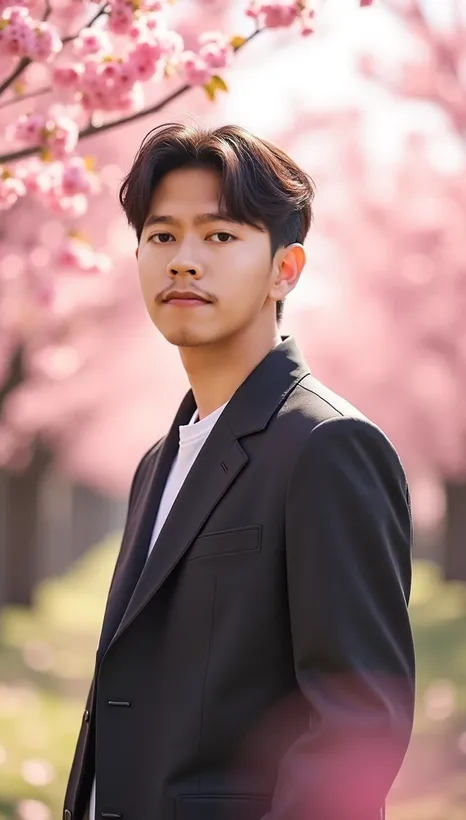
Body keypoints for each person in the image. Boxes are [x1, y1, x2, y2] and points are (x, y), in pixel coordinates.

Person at [63, 123, 415, 820]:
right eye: (162, 236)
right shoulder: (156, 464)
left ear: (285, 269)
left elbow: (358, 721)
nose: (184, 261)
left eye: (219, 237)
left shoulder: (327, 446)